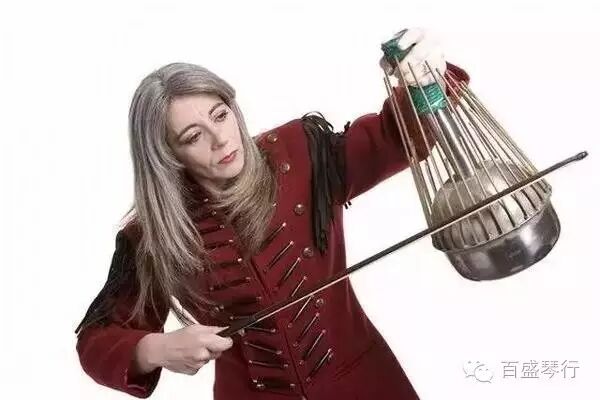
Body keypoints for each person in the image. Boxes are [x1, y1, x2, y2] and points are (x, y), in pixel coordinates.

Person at [74, 27, 469, 399]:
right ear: (168, 156)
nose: (220, 139)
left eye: (220, 115)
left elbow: (395, 136)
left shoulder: (299, 152)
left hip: (366, 384)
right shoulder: (152, 234)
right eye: (193, 137)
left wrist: (425, 80)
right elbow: (96, 340)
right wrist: (155, 348)